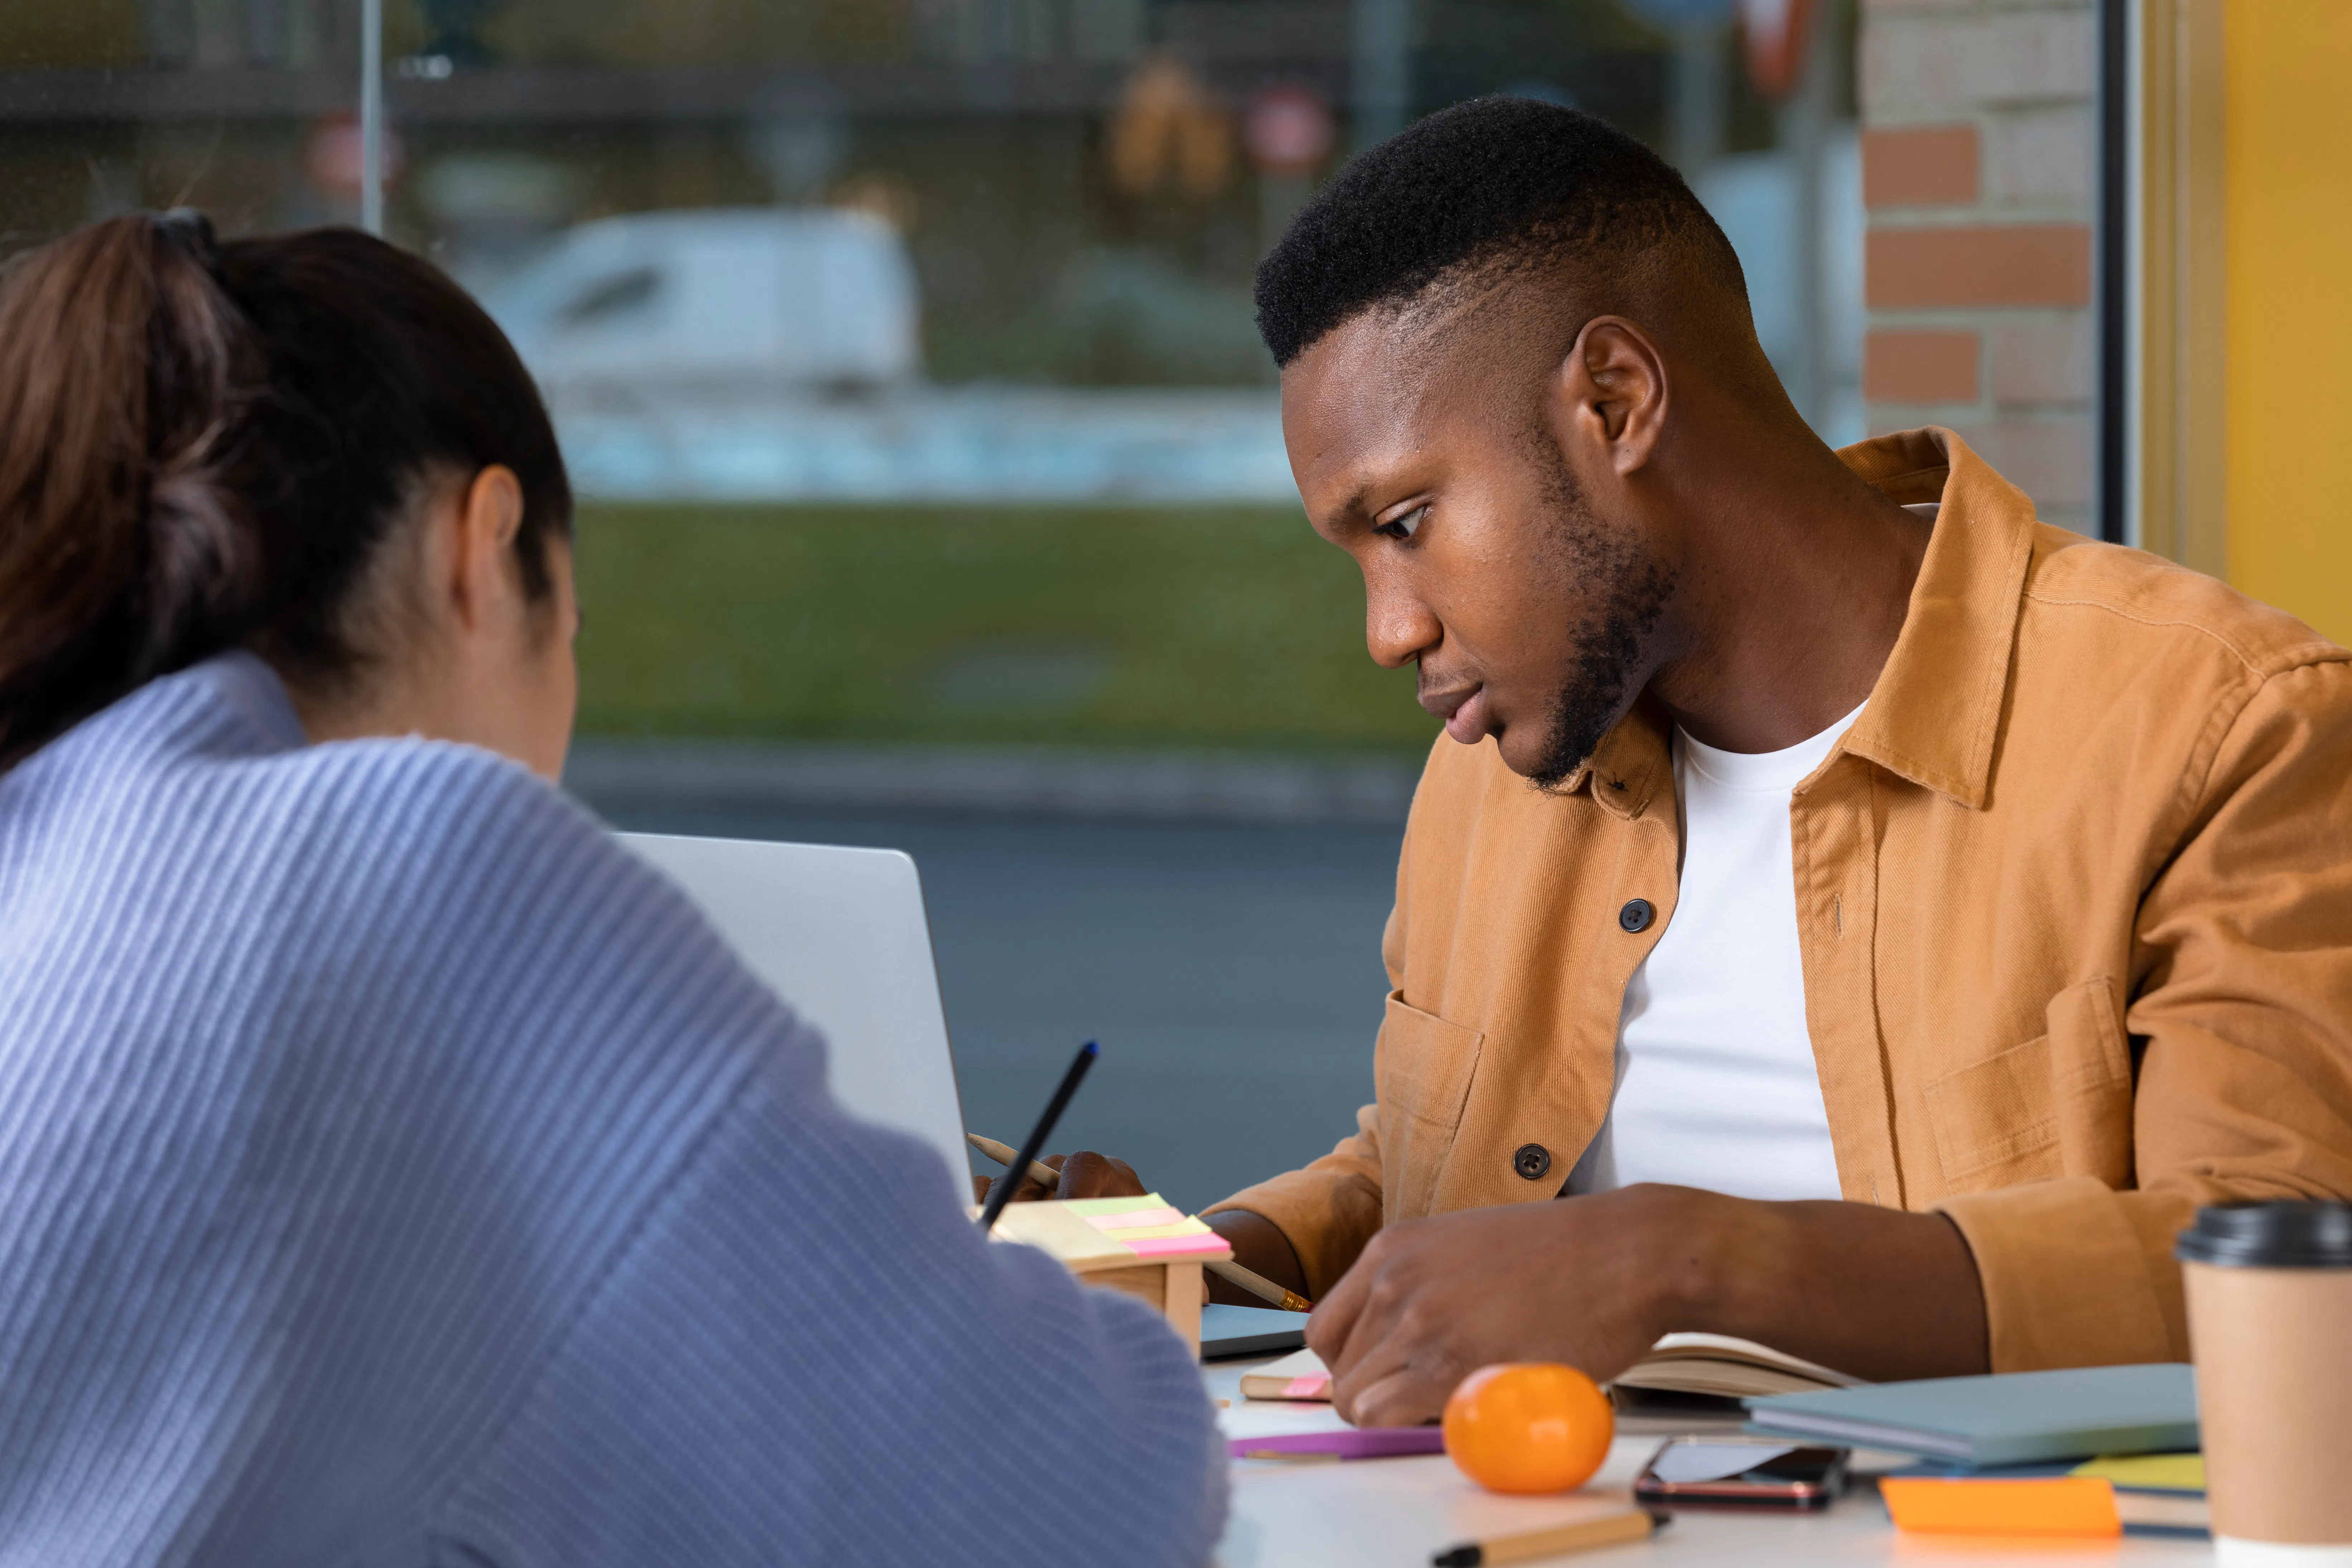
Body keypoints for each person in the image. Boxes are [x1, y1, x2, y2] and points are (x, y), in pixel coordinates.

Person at [1028, 98, 2352, 1427]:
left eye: (1409, 522)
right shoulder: (1507, 758)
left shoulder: (2222, 725)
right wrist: (1200, 1263)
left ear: (1614, 401)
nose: (1390, 631)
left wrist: (1692, 1262)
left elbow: (2282, 1269)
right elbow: (1447, 1176)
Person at [0, 213, 1223, 1565]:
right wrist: (1034, 1307)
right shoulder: (418, 861)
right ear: (482, 550)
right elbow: (1076, 1495)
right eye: (570, 624)